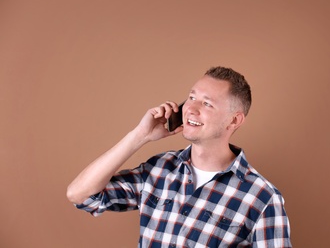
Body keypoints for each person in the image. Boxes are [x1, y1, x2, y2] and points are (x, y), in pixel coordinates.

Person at [67, 66, 292, 247]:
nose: (191, 109)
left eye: (206, 103)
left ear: (234, 121)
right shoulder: (159, 169)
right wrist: (139, 136)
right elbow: (80, 194)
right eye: (191, 97)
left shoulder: (262, 198)